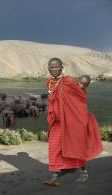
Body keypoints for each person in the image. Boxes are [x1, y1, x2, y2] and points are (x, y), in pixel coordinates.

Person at [43, 58, 103, 187]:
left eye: (56, 67)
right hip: (56, 122)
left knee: (75, 146)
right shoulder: (49, 83)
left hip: (69, 121)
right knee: (54, 147)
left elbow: (80, 96)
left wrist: (82, 87)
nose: (53, 69)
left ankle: (84, 172)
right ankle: (55, 174)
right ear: (48, 68)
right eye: (51, 67)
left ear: (61, 67)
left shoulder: (68, 81)